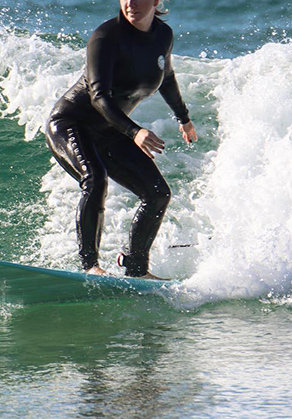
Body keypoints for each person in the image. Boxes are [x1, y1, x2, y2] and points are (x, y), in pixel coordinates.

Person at [44, 0, 198, 279]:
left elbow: (166, 77)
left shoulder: (163, 35)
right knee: (95, 177)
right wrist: (135, 132)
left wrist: (183, 118)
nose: (130, 3)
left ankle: (136, 268)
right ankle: (90, 266)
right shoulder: (105, 38)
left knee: (157, 193)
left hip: (109, 130)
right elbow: (98, 96)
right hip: (72, 123)